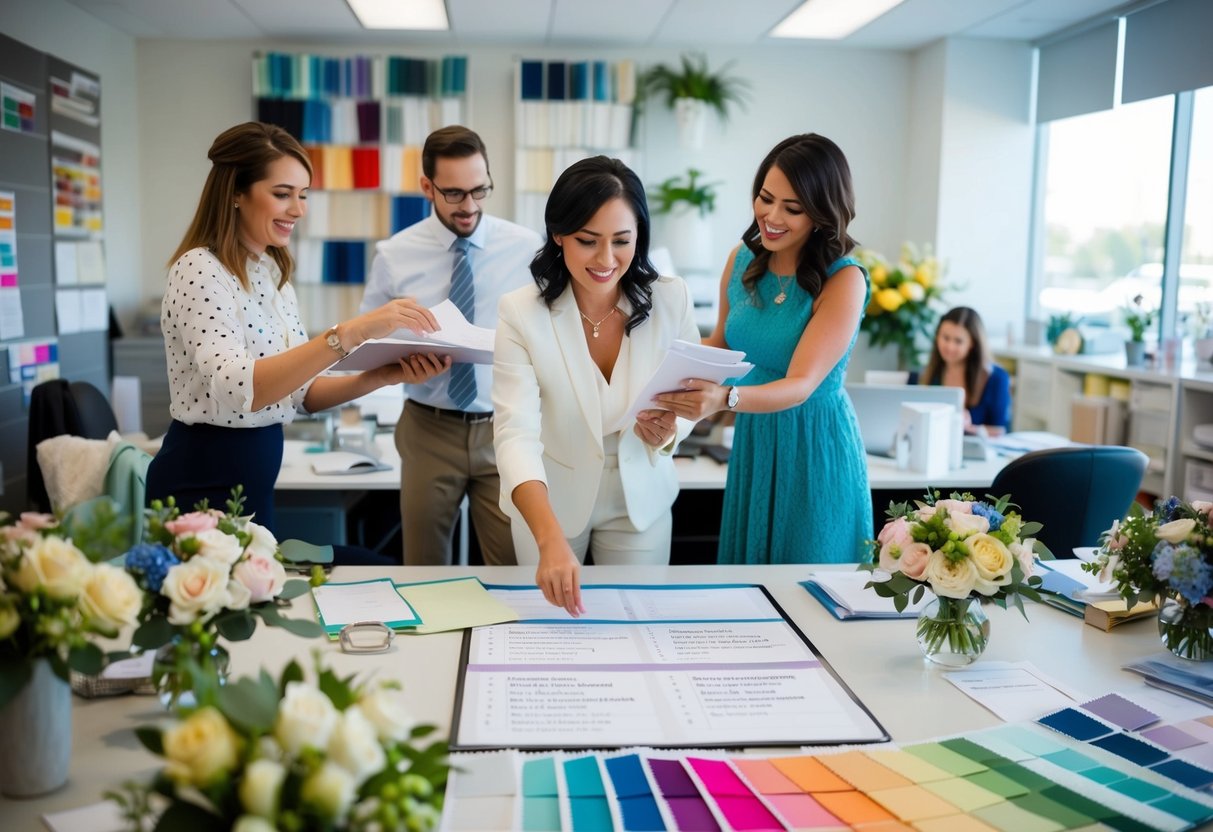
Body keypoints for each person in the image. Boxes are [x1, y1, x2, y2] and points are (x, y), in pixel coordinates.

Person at [148, 121, 446, 539]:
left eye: (302, 195)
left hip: (252, 487)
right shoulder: (200, 268)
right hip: (202, 483)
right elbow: (238, 389)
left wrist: (384, 375)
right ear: (236, 192)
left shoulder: (272, 274)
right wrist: (350, 332)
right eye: (283, 194)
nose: (299, 210)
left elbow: (301, 394)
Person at [493, 156, 700, 614]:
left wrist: (672, 430)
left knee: (636, 625)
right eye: (588, 241)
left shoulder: (671, 298)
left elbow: (691, 393)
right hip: (548, 500)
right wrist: (547, 537)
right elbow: (515, 434)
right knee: (549, 633)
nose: (607, 260)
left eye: (622, 241)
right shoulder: (520, 312)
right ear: (558, 234)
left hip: (639, 497)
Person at [653, 134, 872, 564]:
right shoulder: (742, 261)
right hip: (757, 439)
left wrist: (725, 398)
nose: (771, 217)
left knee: (810, 581)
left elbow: (802, 383)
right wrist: (660, 381)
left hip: (813, 444)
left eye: (792, 209)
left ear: (822, 214)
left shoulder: (844, 279)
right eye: (765, 198)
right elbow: (719, 344)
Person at [360, 126, 542, 566]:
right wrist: (400, 358)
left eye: (480, 190)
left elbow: (548, 334)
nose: (470, 206)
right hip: (429, 428)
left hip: (505, 426)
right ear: (427, 186)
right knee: (423, 571)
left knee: (513, 567)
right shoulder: (394, 254)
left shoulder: (526, 248)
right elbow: (366, 339)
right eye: (455, 193)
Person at [917, 306, 1011, 437]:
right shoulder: (927, 374)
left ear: (972, 343)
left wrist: (972, 429)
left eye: (958, 341)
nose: (950, 347)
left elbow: (1000, 430)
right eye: (945, 338)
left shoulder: (996, 378)